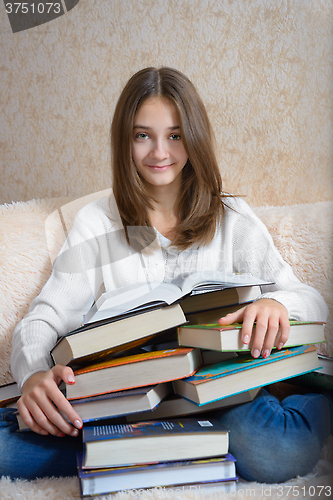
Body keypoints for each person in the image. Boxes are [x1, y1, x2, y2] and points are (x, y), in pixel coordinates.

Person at [1, 67, 331, 482]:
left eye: (175, 135)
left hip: (221, 396)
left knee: (278, 453)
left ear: (194, 138)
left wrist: (275, 303)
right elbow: (43, 317)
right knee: (5, 448)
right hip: (125, 399)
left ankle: (145, 451)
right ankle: (187, 450)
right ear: (125, 141)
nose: (160, 152)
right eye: (143, 135)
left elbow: (310, 298)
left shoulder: (231, 218)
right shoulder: (96, 223)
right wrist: (32, 375)